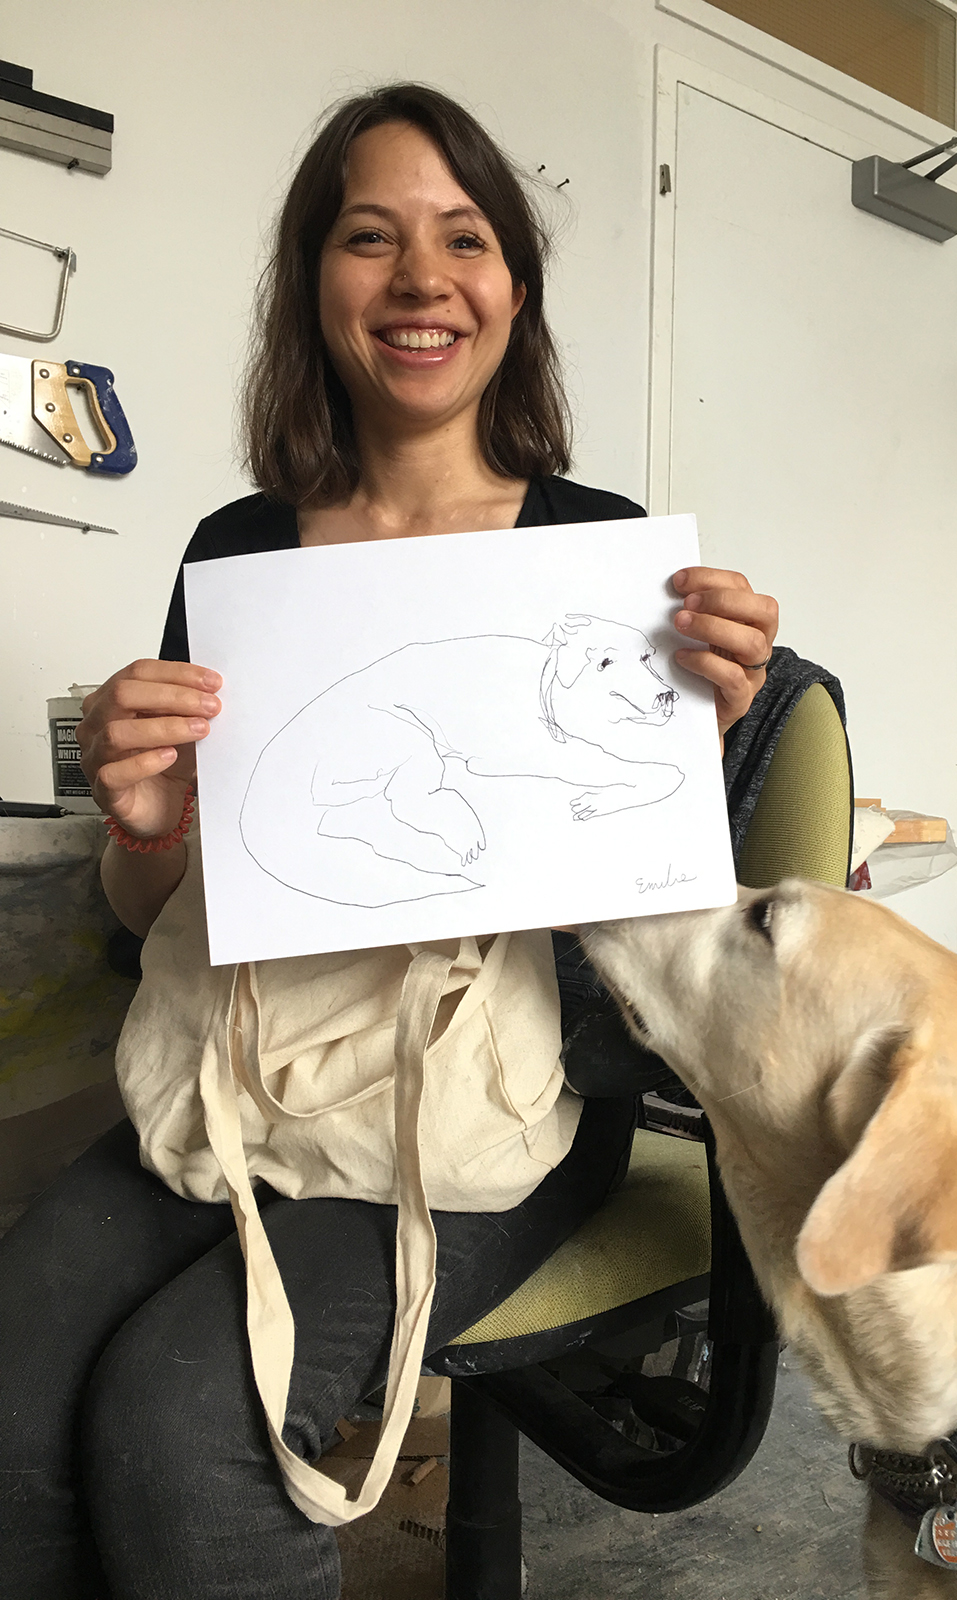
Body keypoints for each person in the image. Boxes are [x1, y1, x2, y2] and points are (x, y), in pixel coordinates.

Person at [0, 85, 778, 1600]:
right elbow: (171, 897)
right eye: (371, 238)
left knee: (179, 1415)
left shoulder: (600, 554)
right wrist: (145, 818)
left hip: (501, 1109)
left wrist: (714, 744)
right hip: (248, 1076)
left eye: (464, 238)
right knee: (18, 1349)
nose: (422, 279)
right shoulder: (239, 554)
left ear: (514, 293)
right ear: (315, 287)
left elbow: (674, 933)